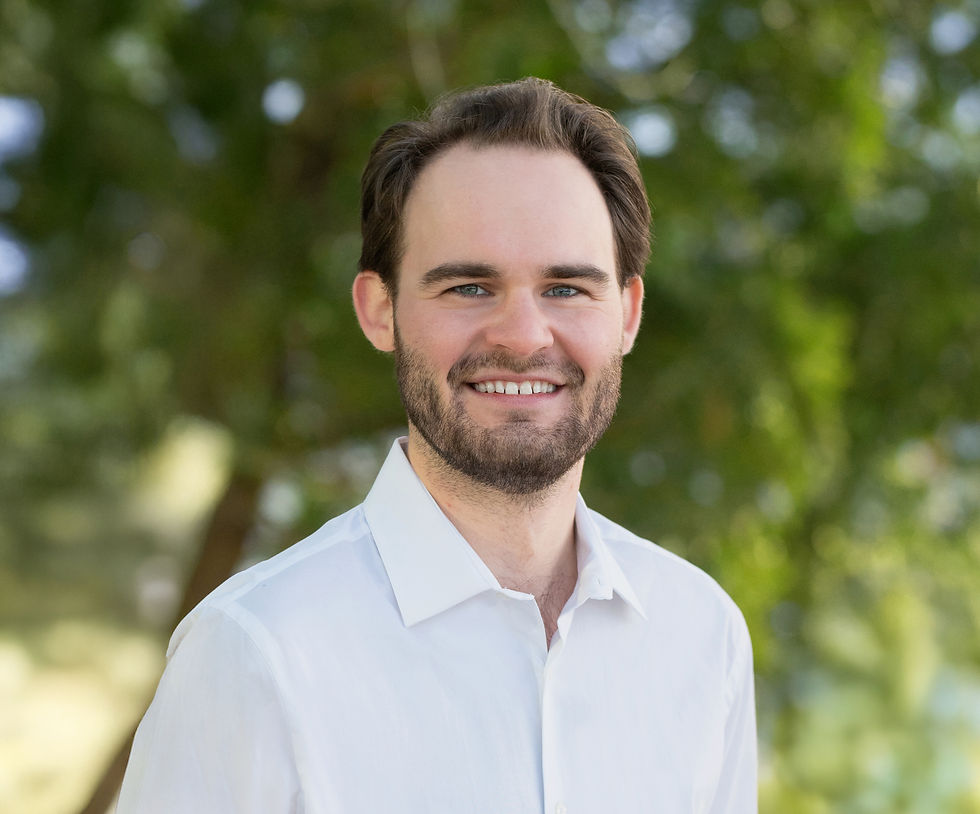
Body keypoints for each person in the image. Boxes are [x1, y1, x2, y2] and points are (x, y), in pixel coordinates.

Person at [116, 77, 757, 813]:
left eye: (567, 288)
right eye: (468, 288)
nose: (522, 335)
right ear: (380, 311)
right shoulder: (255, 652)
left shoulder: (702, 635)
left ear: (628, 315)